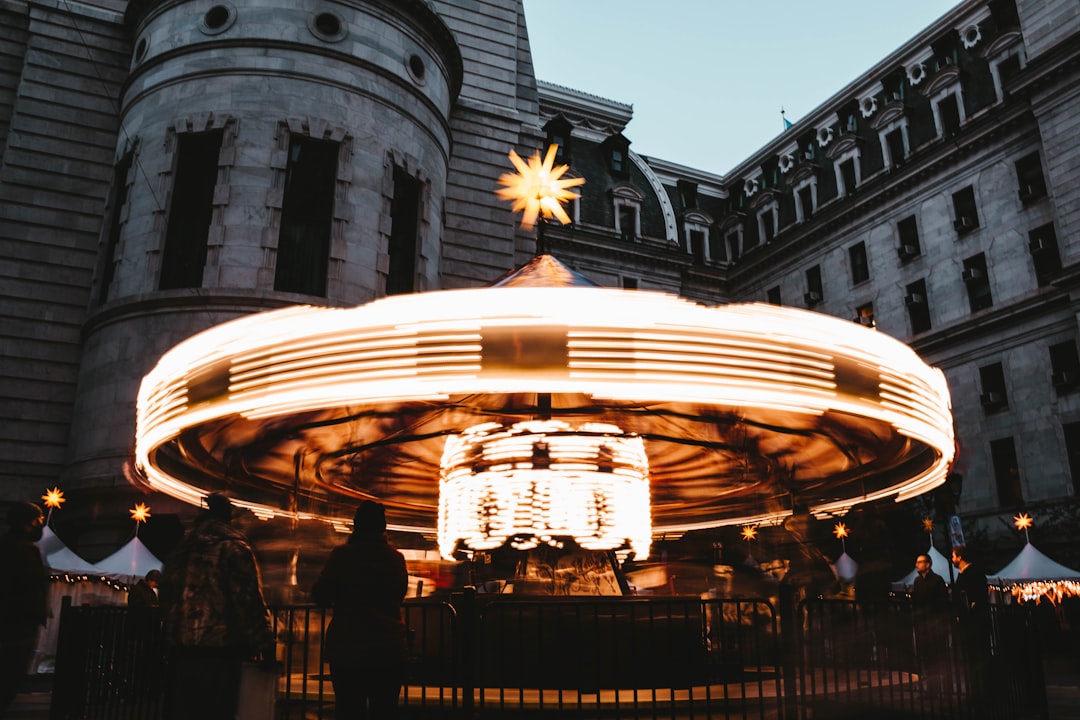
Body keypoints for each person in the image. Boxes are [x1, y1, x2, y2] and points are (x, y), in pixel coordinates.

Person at [159, 493, 274, 720]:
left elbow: (166, 596)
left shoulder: (181, 550)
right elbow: (247, 601)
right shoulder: (233, 548)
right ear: (228, 517)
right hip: (221, 652)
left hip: (181, 652)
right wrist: (265, 643)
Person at [313, 500, 409, 719]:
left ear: (356, 524)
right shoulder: (396, 558)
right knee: (384, 710)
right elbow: (399, 594)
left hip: (350, 648)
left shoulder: (343, 555)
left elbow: (321, 594)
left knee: (349, 709)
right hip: (389, 648)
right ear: (383, 527)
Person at [0, 502, 47, 716]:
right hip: (16, 627)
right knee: (9, 677)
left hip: (19, 624)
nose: (41, 525)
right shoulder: (20, 550)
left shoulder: (13, 547)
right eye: (39, 520)